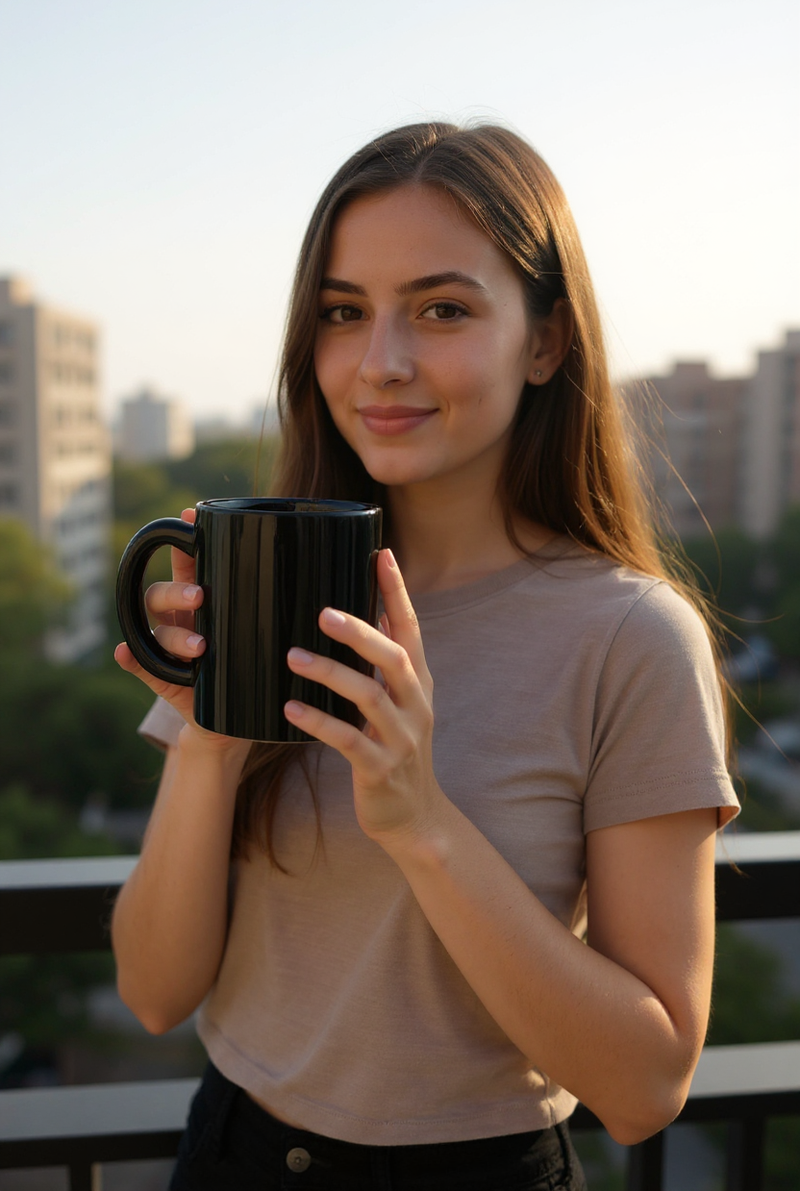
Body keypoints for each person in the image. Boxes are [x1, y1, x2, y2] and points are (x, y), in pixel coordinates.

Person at [112, 121, 740, 1191]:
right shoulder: (274, 576)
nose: (381, 362)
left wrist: (420, 823)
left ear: (543, 342)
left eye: (441, 310)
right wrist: (208, 746)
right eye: (343, 313)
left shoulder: (629, 637)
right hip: (233, 1155)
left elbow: (642, 1089)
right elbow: (155, 992)